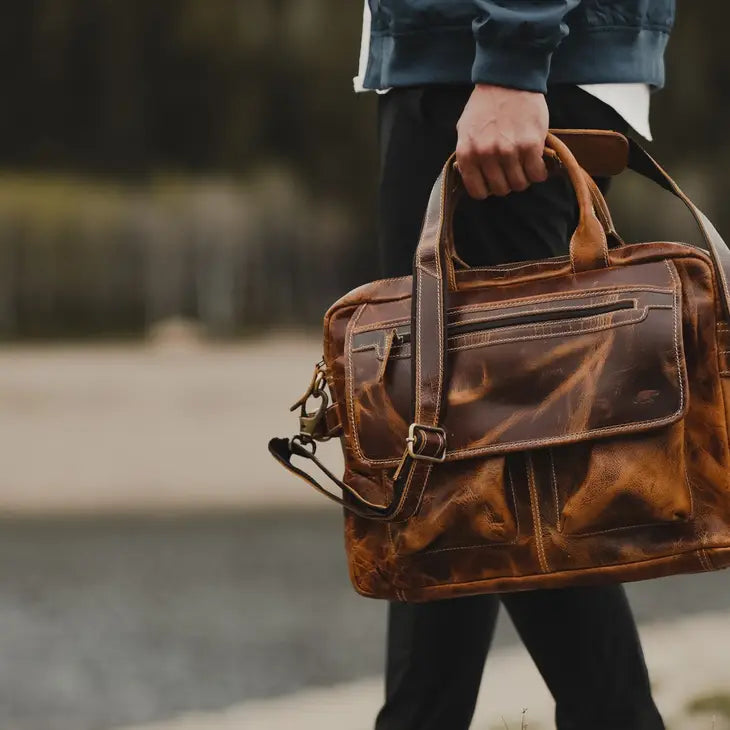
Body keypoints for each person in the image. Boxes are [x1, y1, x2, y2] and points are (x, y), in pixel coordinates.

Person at [353, 2, 675, 729]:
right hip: (488, 68)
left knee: (493, 460)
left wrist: (513, 53)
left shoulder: (506, 66)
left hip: (496, 76)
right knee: (444, 471)